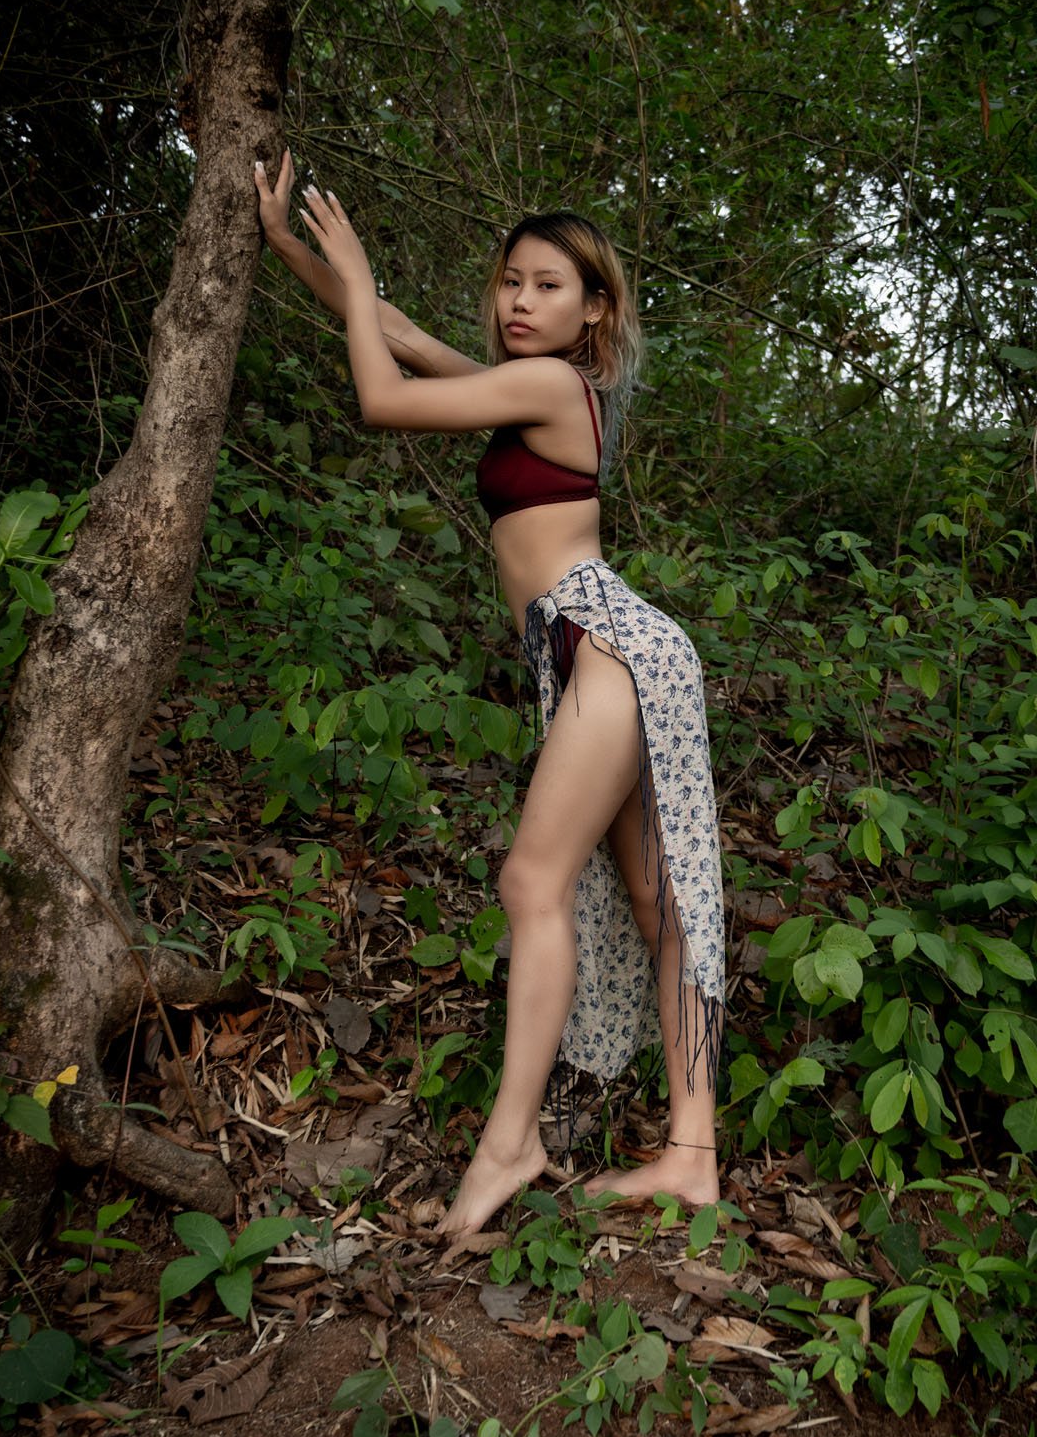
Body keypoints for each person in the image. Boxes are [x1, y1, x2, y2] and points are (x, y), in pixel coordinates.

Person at [254, 152, 725, 1237]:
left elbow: (381, 396)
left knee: (531, 879)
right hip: (587, 651)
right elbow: (396, 336)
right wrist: (291, 249)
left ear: (594, 308)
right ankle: (691, 1155)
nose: (519, 300)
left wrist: (357, 265)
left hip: (607, 644)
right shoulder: (527, 388)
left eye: (547, 285)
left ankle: (511, 1143)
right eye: (510, 280)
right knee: (657, 900)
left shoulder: (552, 386)